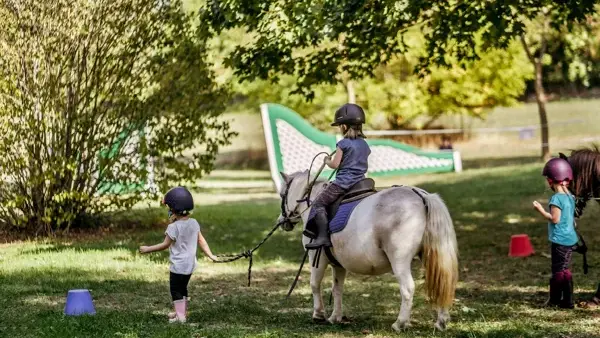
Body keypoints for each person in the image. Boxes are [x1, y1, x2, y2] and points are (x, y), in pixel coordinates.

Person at [139, 186, 217, 323]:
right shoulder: (194, 223)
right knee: (183, 289)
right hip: (190, 265)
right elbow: (201, 240)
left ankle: (180, 318)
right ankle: (180, 313)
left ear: (174, 209)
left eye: (169, 207)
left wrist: (147, 249)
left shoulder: (173, 227)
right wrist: (210, 255)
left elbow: (165, 244)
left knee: (176, 291)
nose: (169, 210)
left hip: (178, 266)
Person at [305, 103, 371, 250]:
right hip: (360, 182)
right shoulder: (365, 144)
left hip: (343, 183)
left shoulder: (342, 144)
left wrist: (327, 160)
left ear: (344, 127)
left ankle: (322, 237)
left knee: (318, 203)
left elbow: (335, 165)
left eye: (340, 125)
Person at [532, 158, 578, 309]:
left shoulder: (556, 199)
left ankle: (555, 300)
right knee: (564, 268)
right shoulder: (570, 197)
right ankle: (567, 301)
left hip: (560, 240)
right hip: (570, 239)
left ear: (552, 180)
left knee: (558, 271)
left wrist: (541, 210)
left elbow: (555, 219)